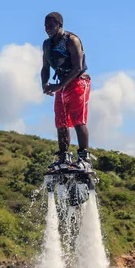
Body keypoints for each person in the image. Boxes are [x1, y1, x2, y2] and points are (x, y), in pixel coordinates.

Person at [41, 12, 92, 171]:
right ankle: (64, 157)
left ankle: (84, 158)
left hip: (78, 81)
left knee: (78, 120)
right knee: (61, 121)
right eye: (45, 26)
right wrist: (45, 84)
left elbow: (77, 67)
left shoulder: (71, 40)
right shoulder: (47, 44)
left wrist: (59, 85)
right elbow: (45, 67)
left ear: (59, 25)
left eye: (50, 26)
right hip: (62, 84)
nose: (47, 29)